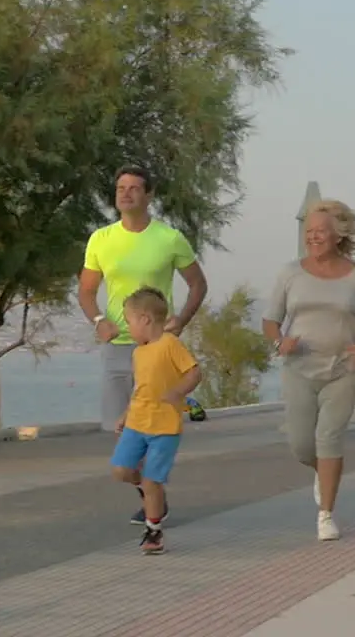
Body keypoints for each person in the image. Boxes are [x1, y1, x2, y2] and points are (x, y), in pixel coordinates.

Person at [78, 165, 208, 525]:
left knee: (154, 427)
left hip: (157, 351)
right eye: (121, 187)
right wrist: (98, 321)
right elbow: (86, 291)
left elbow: (198, 284)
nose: (126, 193)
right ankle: (153, 494)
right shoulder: (101, 239)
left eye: (135, 188)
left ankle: (153, 500)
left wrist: (180, 320)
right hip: (118, 347)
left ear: (148, 196)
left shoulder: (169, 238)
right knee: (122, 433)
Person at [262, 199, 355, 541]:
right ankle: (324, 471)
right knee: (302, 445)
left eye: (321, 232)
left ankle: (326, 515)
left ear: (338, 236)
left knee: (329, 437)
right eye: (309, 232)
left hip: (345, 368)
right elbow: (271, 320)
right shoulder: (290, 273)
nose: (313, 238)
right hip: (299, 368)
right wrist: (280, 342)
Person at [109, 287, 203, 554]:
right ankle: (149, 493)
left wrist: (177, 392)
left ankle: (154, 532)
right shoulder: (139, 353)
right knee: (122, 471)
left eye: (129, 322)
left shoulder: (170, 344)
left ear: (145, 319)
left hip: (164, 427)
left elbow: (194, 373)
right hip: (137, 422)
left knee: (153, 481)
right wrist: (125, 414)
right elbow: (142, 386)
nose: (128, 328)